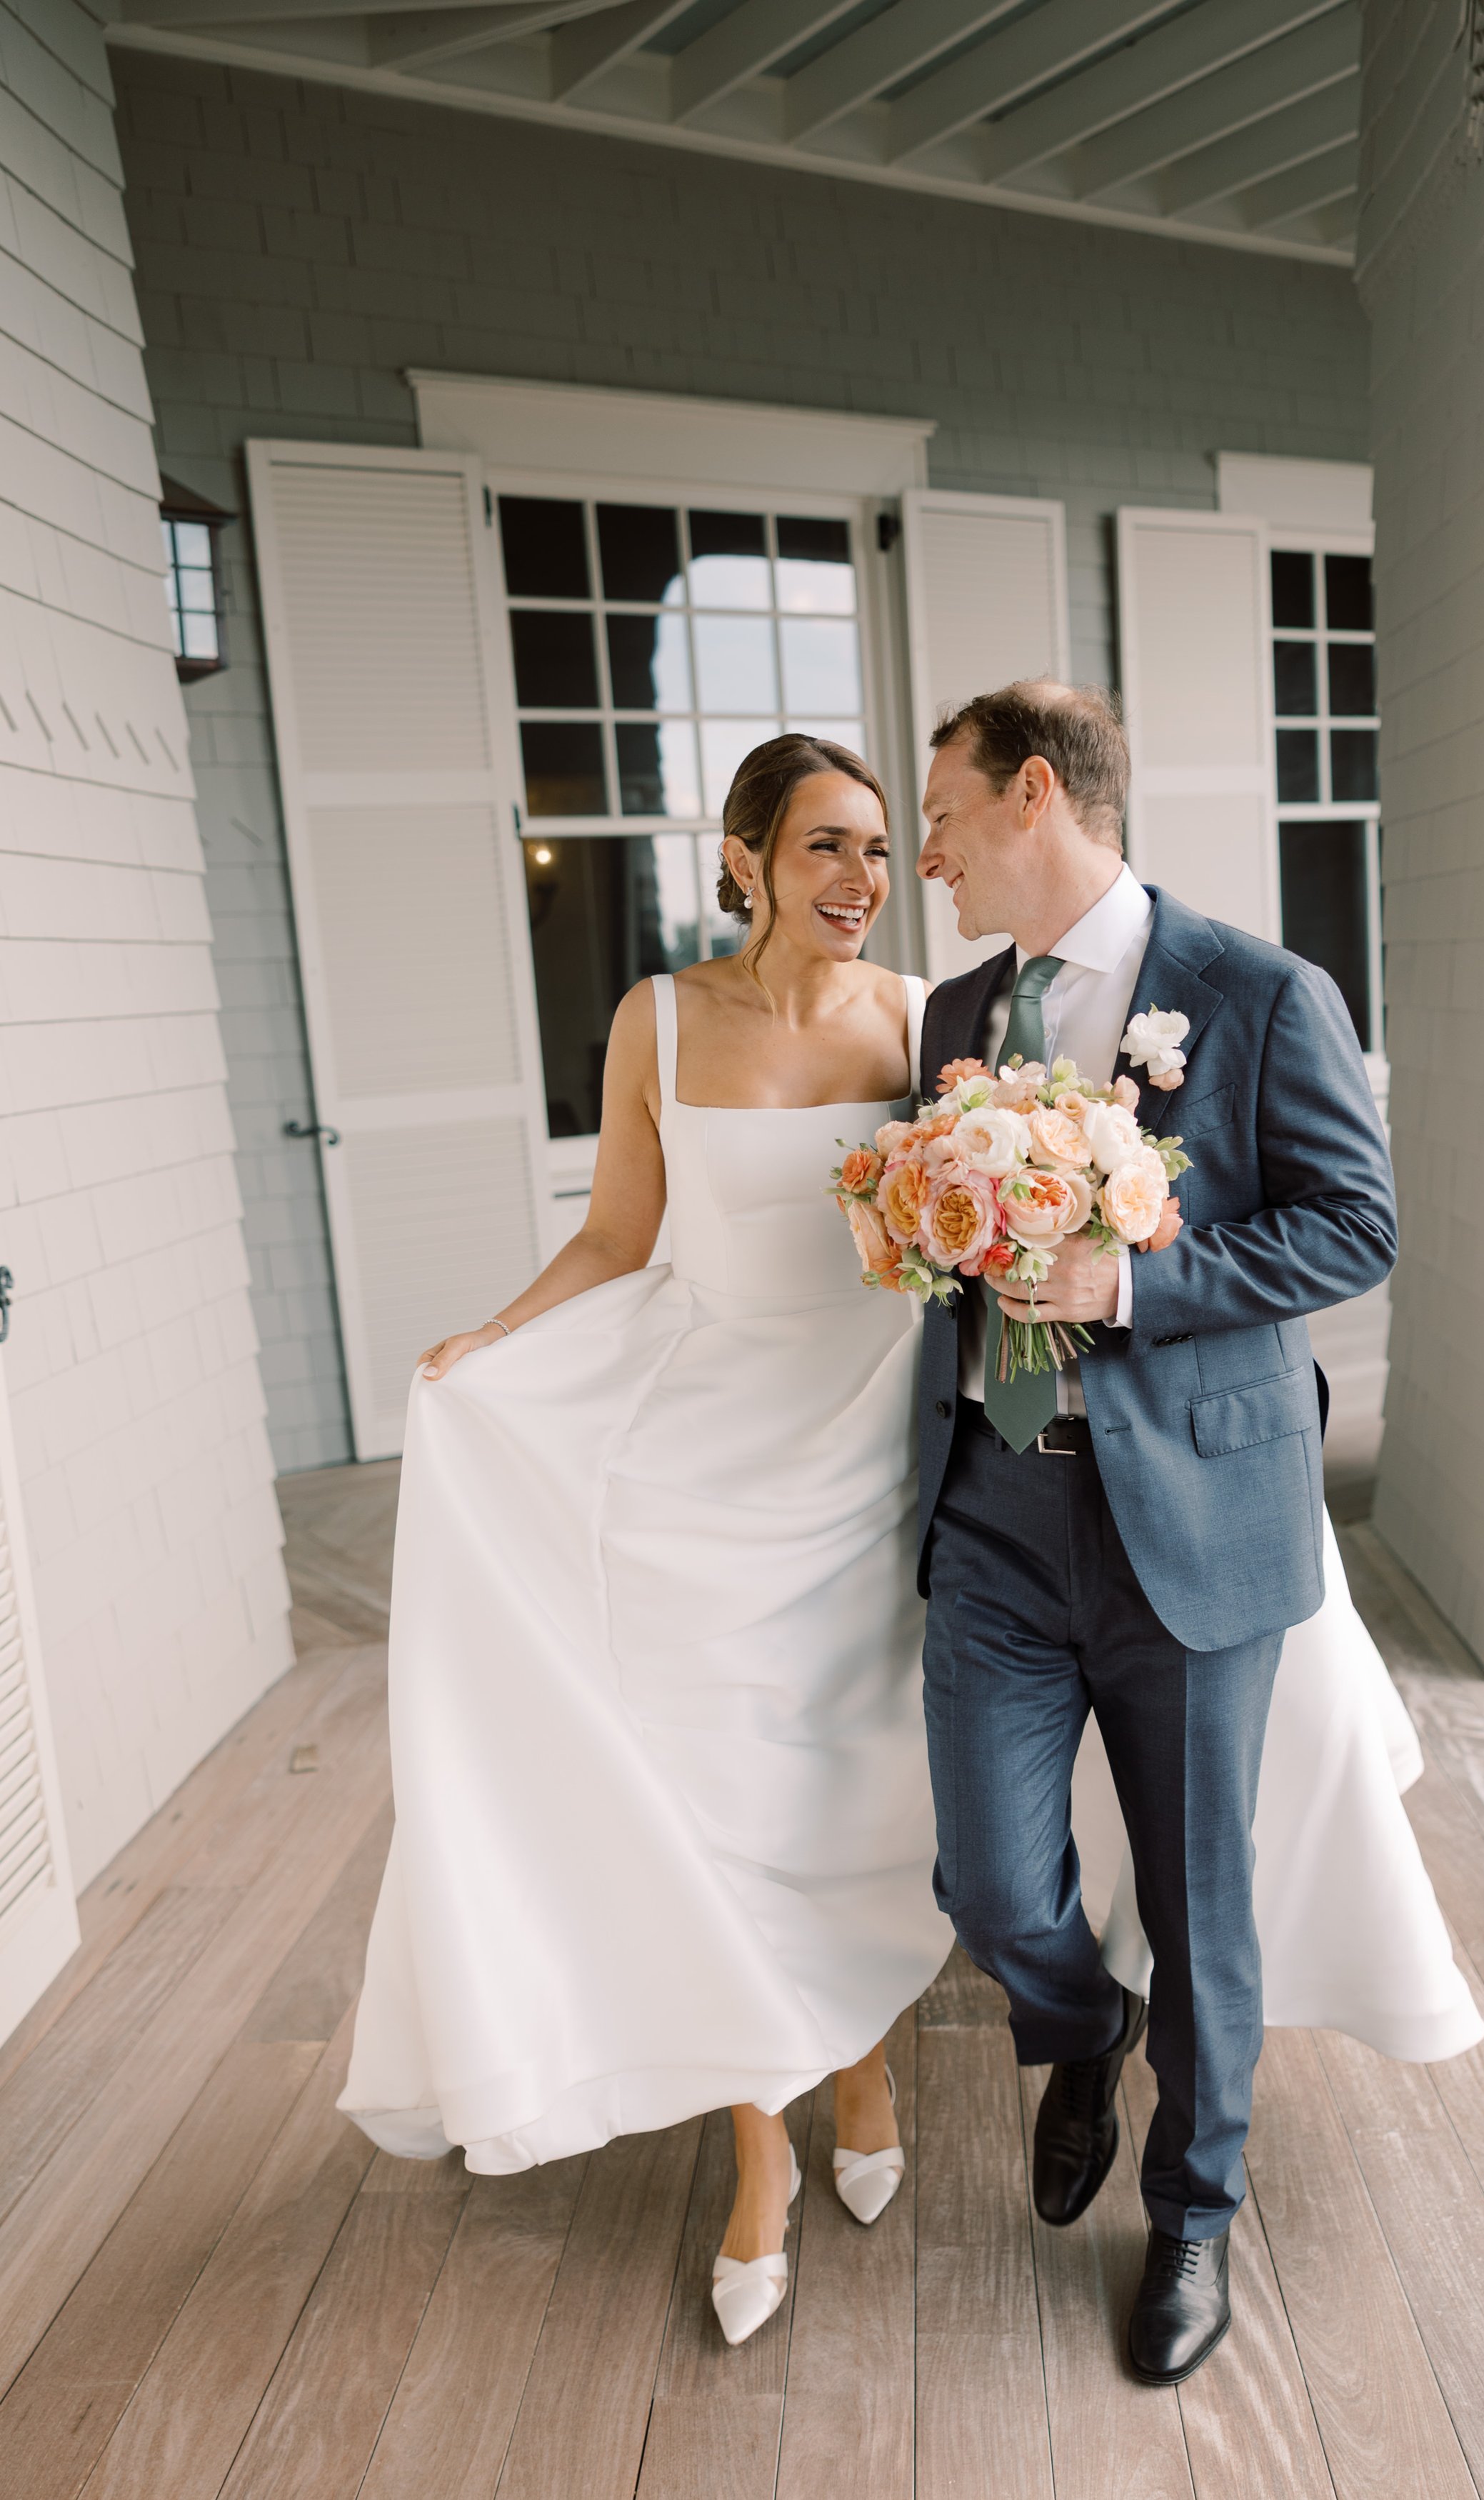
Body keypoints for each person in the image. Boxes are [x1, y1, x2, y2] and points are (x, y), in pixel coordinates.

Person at [338, 734, 953, 2349]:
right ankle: (760, 2138)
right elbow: (620, 1232)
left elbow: (958, 1234)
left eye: (878, 852)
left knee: (847, 1777)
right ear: (745, 856)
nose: (859, 882)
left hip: (868, 1441)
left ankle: (862, 2049)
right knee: (715, 1789)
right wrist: (488, 1341)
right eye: (825, 846)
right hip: (699, 1444)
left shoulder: (915, 1019)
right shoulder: (660, 1017)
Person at [911, 679, 1473, 2387]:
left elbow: (1355, 1223)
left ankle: (1194, 2210)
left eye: (939, 815)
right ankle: (1080, 2027)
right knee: (993, 1881)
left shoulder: (1250, 990)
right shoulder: (953, 1005)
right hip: (997, 1509)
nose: (925, 853)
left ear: (1031, 798)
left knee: (1197, 1891)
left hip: (1192, 1515)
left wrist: (1137, 1281)